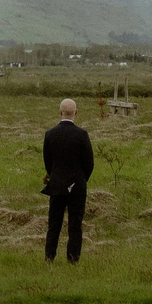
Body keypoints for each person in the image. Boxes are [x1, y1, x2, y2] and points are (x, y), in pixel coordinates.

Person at [41, 98, 95, 264]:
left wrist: (56, 176)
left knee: (54, 223)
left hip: (56, 185)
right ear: (76, 113)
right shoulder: (82, 135)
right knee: (75, 223)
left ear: (60, 112)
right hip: (77, 187)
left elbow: (47, 162)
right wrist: (80, 180)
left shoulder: (50, 134)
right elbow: (89, 163)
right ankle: (73, 259)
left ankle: (49, 257)